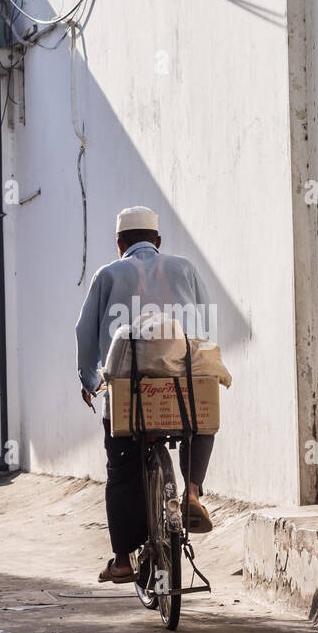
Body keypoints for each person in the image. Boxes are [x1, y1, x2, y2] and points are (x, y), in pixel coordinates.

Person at [75, 206, 216, 584]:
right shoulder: (184, 268)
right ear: (157, 242)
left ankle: (122, 558)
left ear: (120, 243)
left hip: (128, 393)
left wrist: (90, 381)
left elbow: (84, 334)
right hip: (179, 385)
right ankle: (192, 492)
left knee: (120, 469)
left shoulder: (107, 275)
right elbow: (206, 322)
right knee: (200, 420)